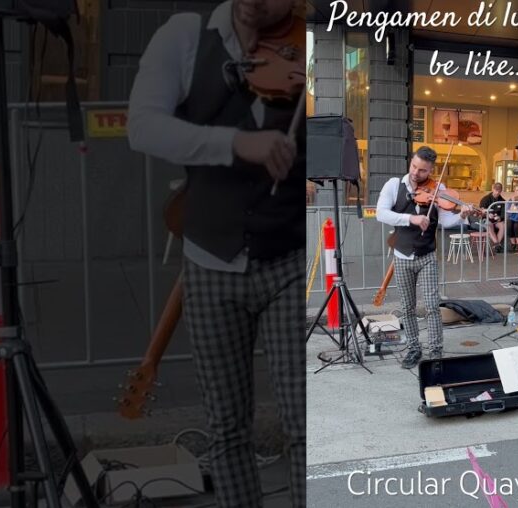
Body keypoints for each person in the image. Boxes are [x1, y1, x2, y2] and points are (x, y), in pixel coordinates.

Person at [126, 1, 304, 506]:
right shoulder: (183, 37)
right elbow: (143, 125)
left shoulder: (308, 44)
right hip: (209, 263)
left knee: (304, 421)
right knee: (226, 428)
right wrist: (233, 143)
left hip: (288, 258)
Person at [376, 146, 473, 369]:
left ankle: (436, 351)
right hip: (402, 256)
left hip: (427, 255)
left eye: (423, 171)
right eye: (414, 167)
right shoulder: (393, 185)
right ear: (411, 161)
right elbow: (381, 213)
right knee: (407, 307)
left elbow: (446, 222)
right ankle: (413, 348)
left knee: (431, 306)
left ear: (430, 170)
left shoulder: (438, 189)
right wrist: (411, 219)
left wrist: (462, 215)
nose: (416, 173)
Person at [479, 182, 507, 250]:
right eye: (496, 190)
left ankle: (496, 245)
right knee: (489, 225)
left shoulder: (502, 201)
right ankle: (497, 244)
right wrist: (487, 214)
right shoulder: (485, 199)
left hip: (497, 221)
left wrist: (499, 217)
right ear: (493, 189)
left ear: (501, 191)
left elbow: (503, 213)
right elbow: (480, 211)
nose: (497, 192)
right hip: (487, 219)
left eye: (499, 190)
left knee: (503, 225)